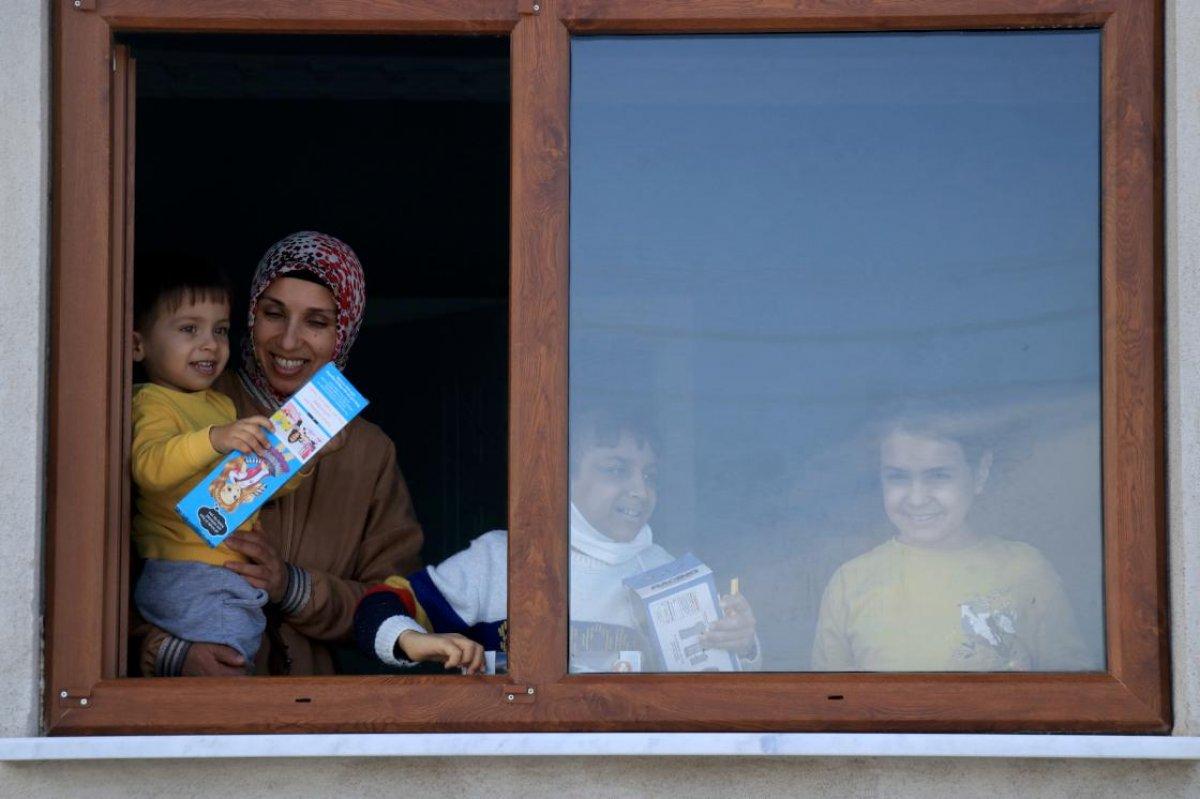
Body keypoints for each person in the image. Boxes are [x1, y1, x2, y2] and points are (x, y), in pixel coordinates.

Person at [137, 231, 424, 677]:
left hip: (305, 709)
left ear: (343, 333)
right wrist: (167, 652)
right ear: (249, 316)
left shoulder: (368, 452)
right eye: (273, 314)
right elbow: (101, 563)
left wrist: (293, 587)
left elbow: (400, 607)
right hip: (187, 695)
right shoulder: (192, 401)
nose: (289, 342)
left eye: (316, 322)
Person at [353, 407, 760, 673]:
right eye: (617, 470)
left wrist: (742, 644)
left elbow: (710, 684)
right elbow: (381, 603)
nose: (640, 489)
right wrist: (412, 640)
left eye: (649, 476)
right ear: (563, 476)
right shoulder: (503, 558)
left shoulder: (665, 571)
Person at [130, 256, 310, 671]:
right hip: (190, 573)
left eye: (221, 330)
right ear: (138, 345)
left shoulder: (220, 403)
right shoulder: (151, 402)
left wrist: (295, 462)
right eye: (189, 329)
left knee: (226, 675)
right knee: (225, 677)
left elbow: (247, 483)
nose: (210, 344)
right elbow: (149, 466)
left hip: (222, 571)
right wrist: (214, 439)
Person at [810, 408, 1090, 671]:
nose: (917, 499)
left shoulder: (1025, 570)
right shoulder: (851, 582)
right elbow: (828, 703)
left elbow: (1074, 695)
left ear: (980, 473)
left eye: (939, 476)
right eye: (898, 478)